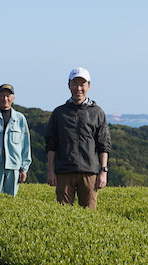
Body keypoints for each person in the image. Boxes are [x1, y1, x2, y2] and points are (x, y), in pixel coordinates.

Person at [45, 67, 111, 209]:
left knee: (89, 215)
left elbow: (103, 144)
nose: (78, 88)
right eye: (75, 84)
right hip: (64, 171)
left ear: (89, 86)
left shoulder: (97, 112)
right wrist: (51, 170)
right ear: (69, 85)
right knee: (62, 215)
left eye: (82, 84)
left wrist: (103, 171)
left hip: (89, 170)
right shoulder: (59, 113)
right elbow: (51, 144)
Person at [0, 84, 32, 196]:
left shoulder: (20, 118)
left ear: (13, 98)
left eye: (8, 96)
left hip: (14, 165)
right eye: (2, 95)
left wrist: (24, 168)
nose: (5, 98)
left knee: (11, 200)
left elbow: (26, 145)